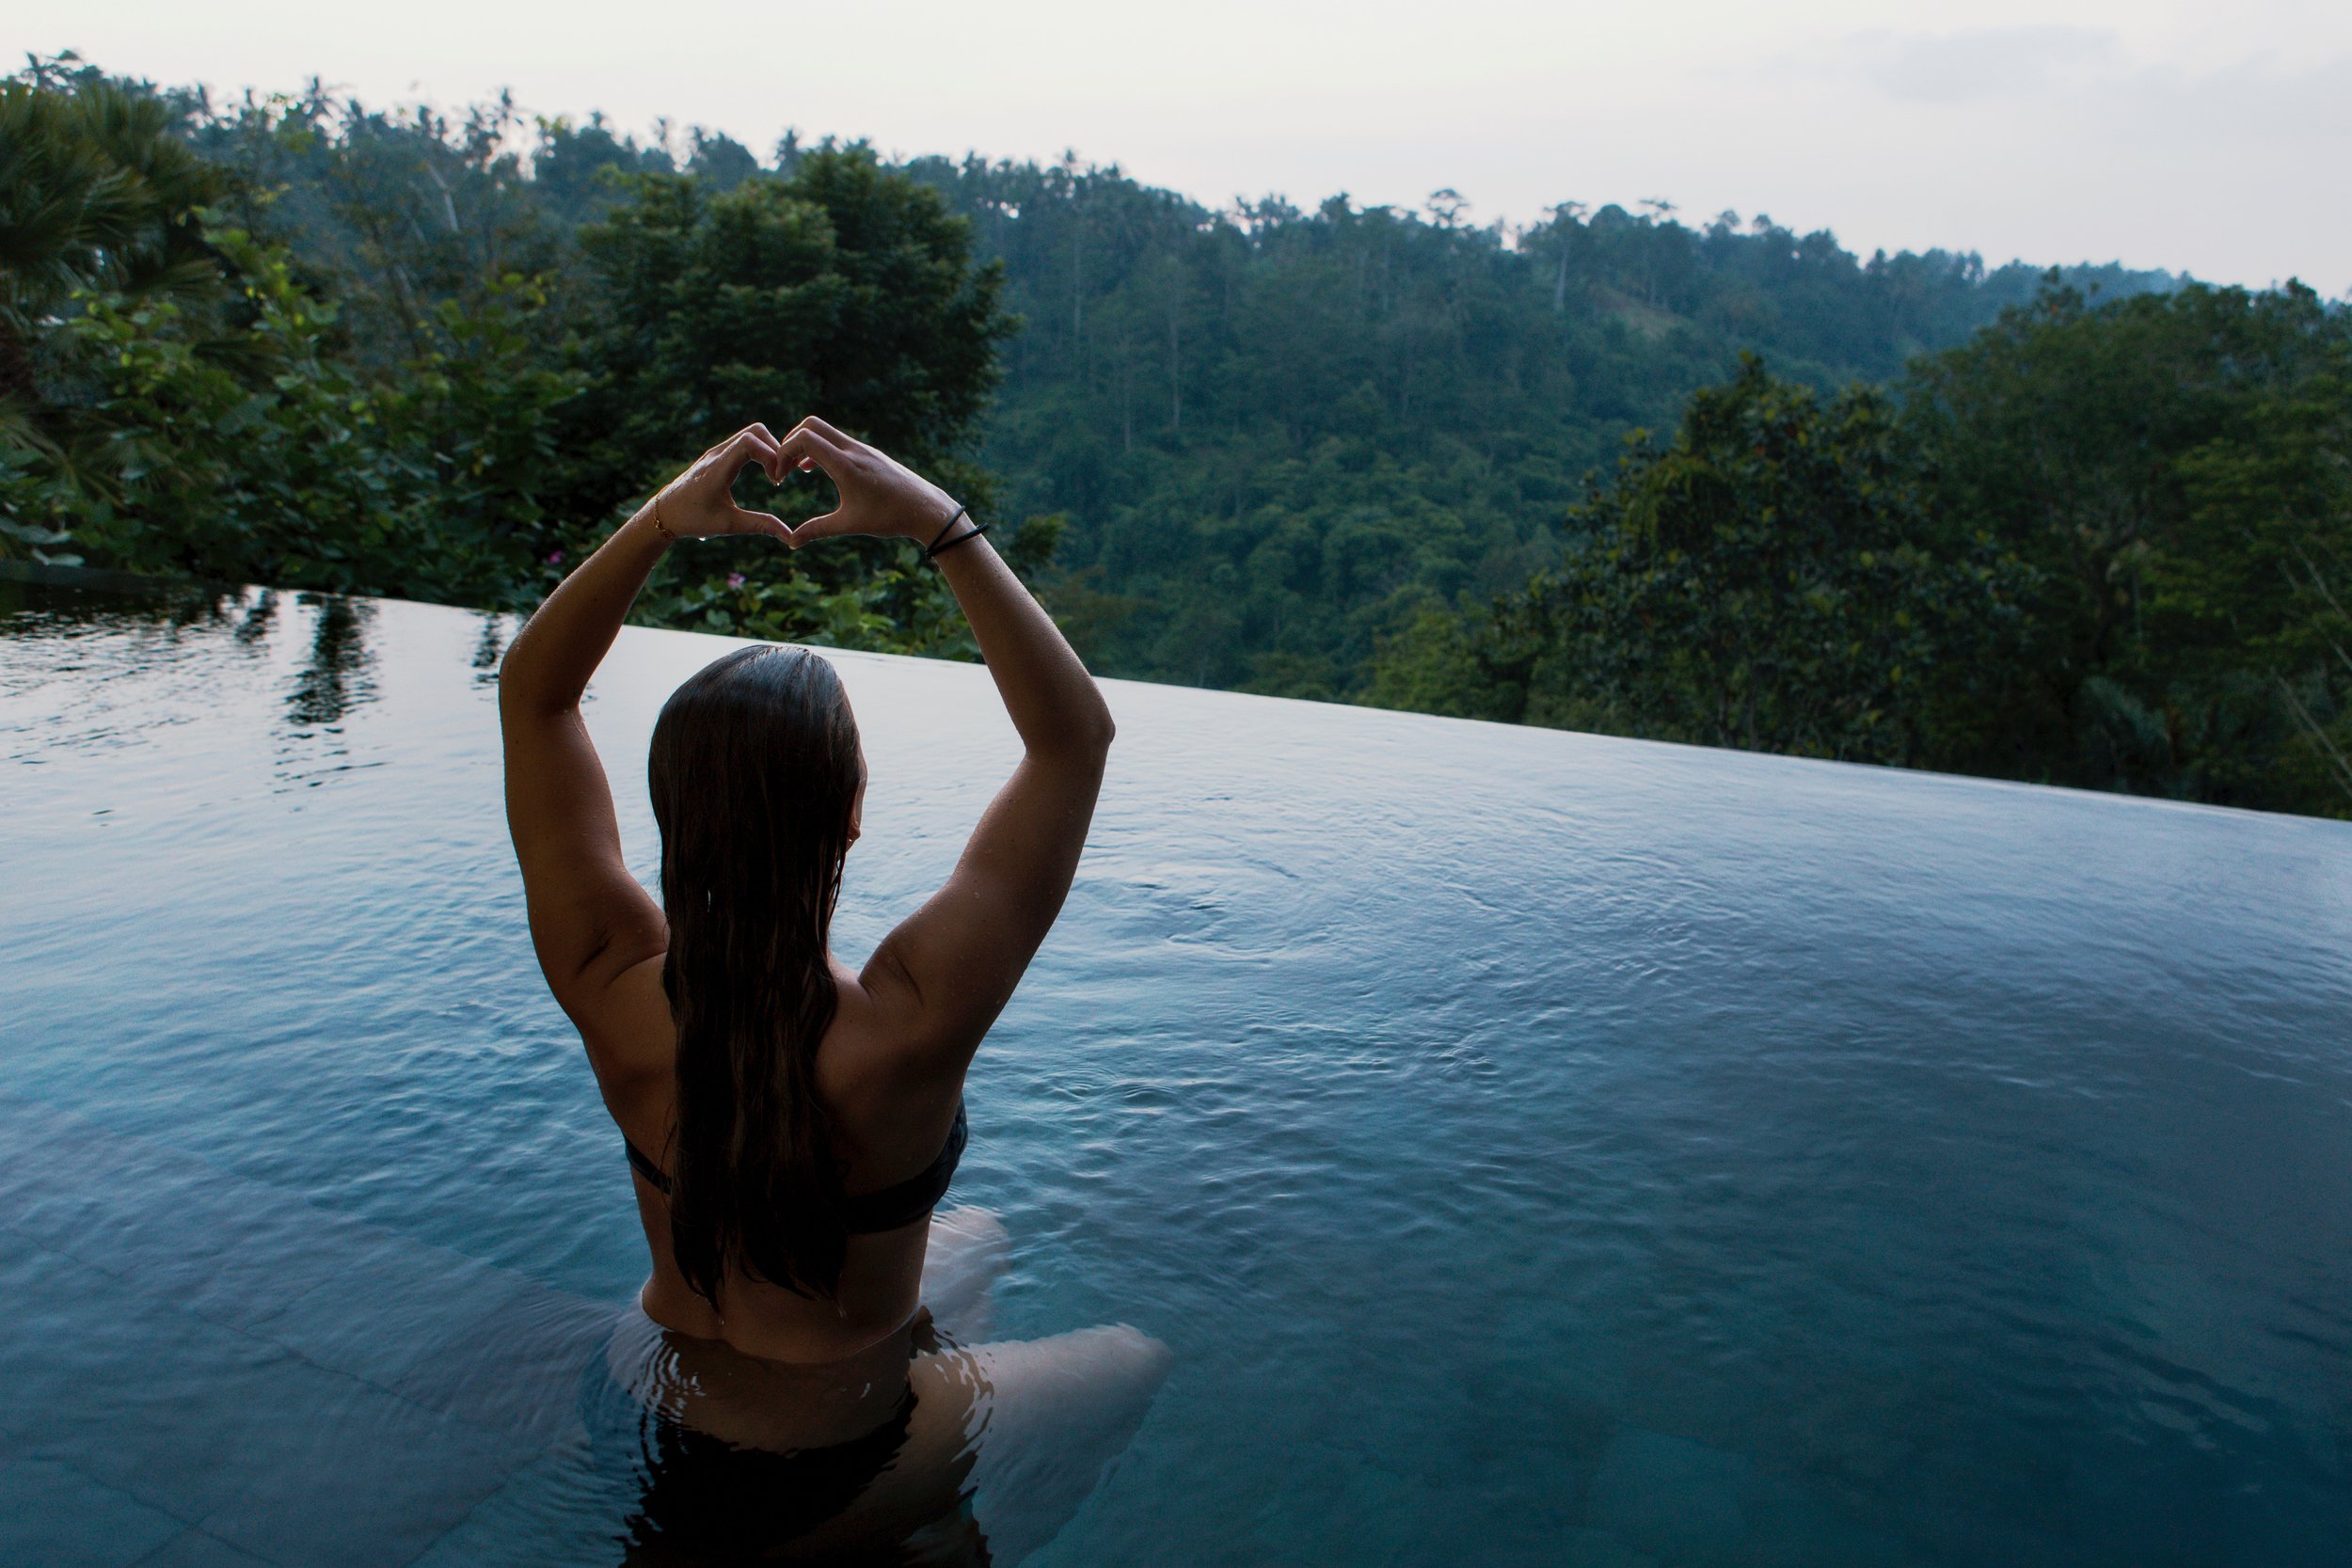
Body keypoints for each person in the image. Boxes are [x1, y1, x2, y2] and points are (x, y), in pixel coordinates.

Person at [499, 418, 1168, 1560]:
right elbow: (1073, 741)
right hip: (825, 1458)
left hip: (635, 1393)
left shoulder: (608, 977)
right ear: (851, 815)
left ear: (671, 816)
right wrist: (937, 522)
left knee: (983, 1237)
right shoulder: (909, 1019)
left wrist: (664, 519)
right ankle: (897, 1527)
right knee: (1135, 1357)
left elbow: (534, 694)